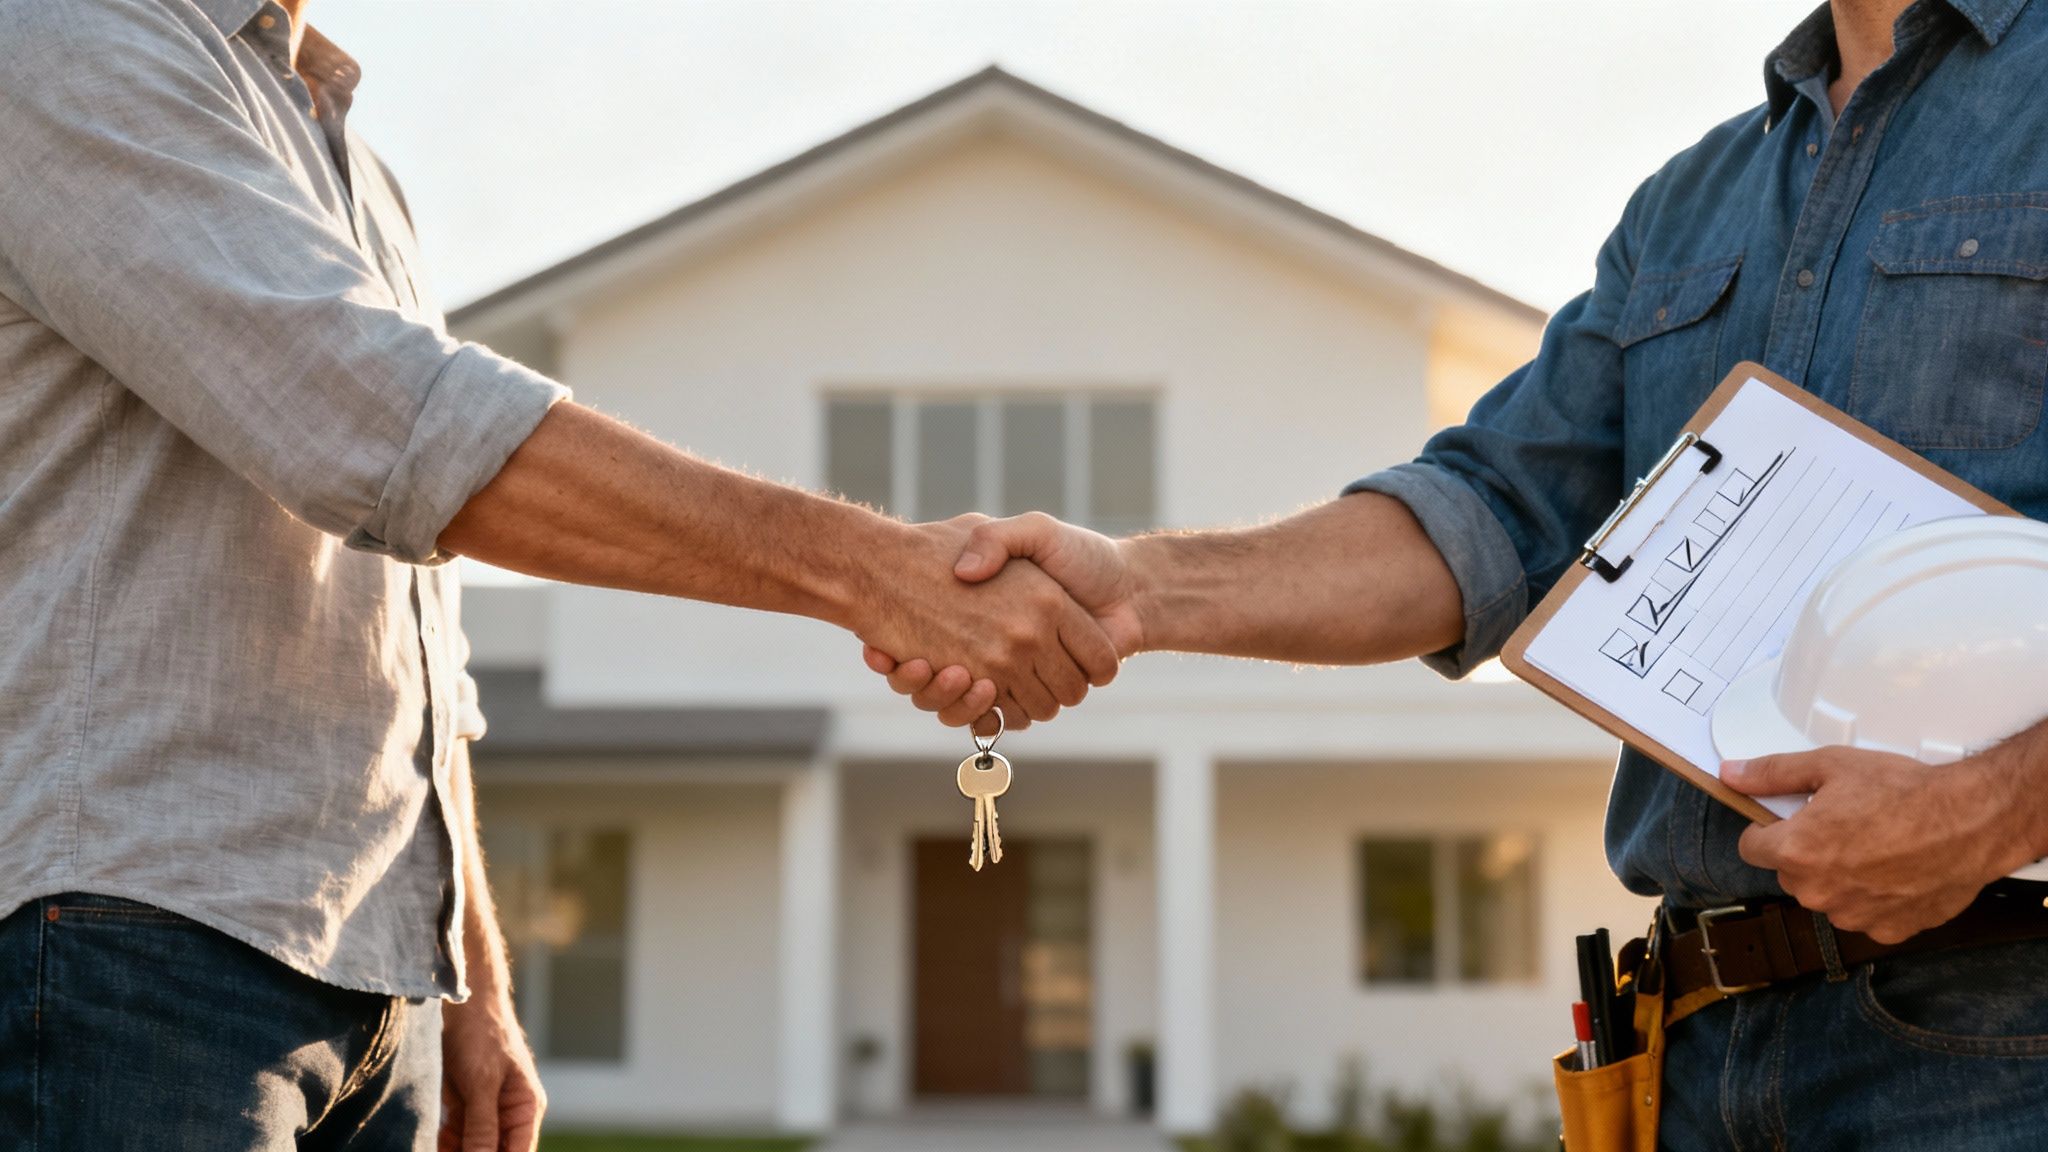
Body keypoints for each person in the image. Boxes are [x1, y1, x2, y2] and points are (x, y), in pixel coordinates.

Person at [873, 0, 2048, 1146]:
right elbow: (1487, 515)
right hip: (1696, 1044)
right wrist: (1130, 586)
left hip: (2004, 1027)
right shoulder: (1687, 207)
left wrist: (1995, 805)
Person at [0, 1, 1118, 1149]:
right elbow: (380, 422)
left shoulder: (357, 170)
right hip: (133, 945)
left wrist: (471, 974)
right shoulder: (63, 44)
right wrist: (878, 574)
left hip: (381, 988)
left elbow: (417, 623)